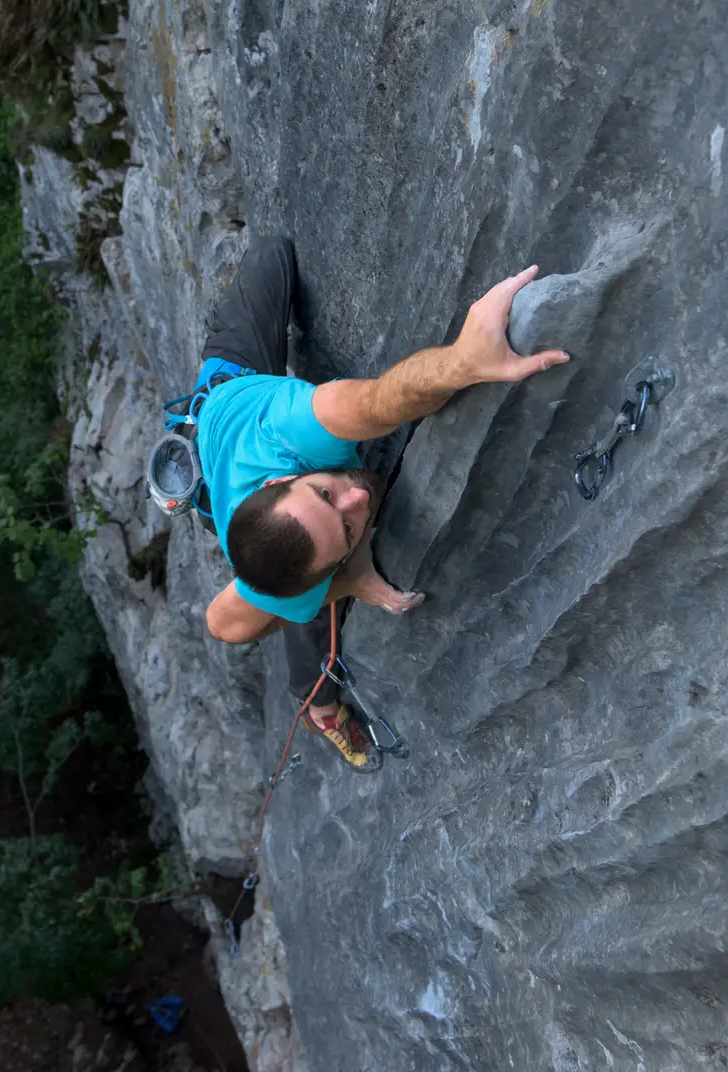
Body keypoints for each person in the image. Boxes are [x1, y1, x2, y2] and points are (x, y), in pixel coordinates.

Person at [193, 237, 568, 769]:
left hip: (228, 394)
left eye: (323, 492)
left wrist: (463, 362)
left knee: (272, 253)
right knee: (306, 616)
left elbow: (380, 400)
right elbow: (223, 625)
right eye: (348, 528)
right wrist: (346, 585)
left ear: (279, 483)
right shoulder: (294, 579)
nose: (356, 496)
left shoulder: (291, 429)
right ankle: (320, 707)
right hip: (253, 516)